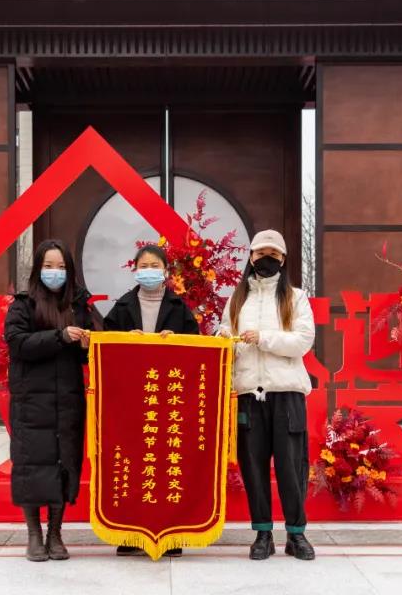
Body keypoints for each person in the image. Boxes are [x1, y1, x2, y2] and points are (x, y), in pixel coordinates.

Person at [220, 230, 315, 561]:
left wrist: (263, 338)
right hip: (249, 394)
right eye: (260, 254)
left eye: (273, 254)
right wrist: (224, 341)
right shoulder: (237, 300)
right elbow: (226, 339)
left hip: (287, 394)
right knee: (253, 466)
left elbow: (302, 341)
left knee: (292, 466)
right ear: (250, 257)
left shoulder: (295, 298)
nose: (266, 259)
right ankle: (262, 533)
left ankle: (296, 534)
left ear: (283, 260)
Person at [5, 239, 99, 562]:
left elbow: (87, 355)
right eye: (48, 266)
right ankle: (33, 535)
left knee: (64, 464)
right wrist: (60, 336)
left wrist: (86, 343)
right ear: (38, 269)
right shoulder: (23, 304)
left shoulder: (78, 305)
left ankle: (55, 533)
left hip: (67, 400)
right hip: (31, 402)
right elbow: (18, 343)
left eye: (61, 267)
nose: (54, 272)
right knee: (31, 465)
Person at [103, 243, 199, 558]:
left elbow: (197, 349)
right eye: (143, 265)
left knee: (168, 464)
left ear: (166, 271)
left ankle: (170, 534)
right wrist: (125, 341)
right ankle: (131, 533)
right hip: (132, 399)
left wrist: (178, 342)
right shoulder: (122, 307)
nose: (149, 271)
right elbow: (106, 347)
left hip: (168, 400)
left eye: (155, 266)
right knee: (134, 463)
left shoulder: (179, 307)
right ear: (135, 270)